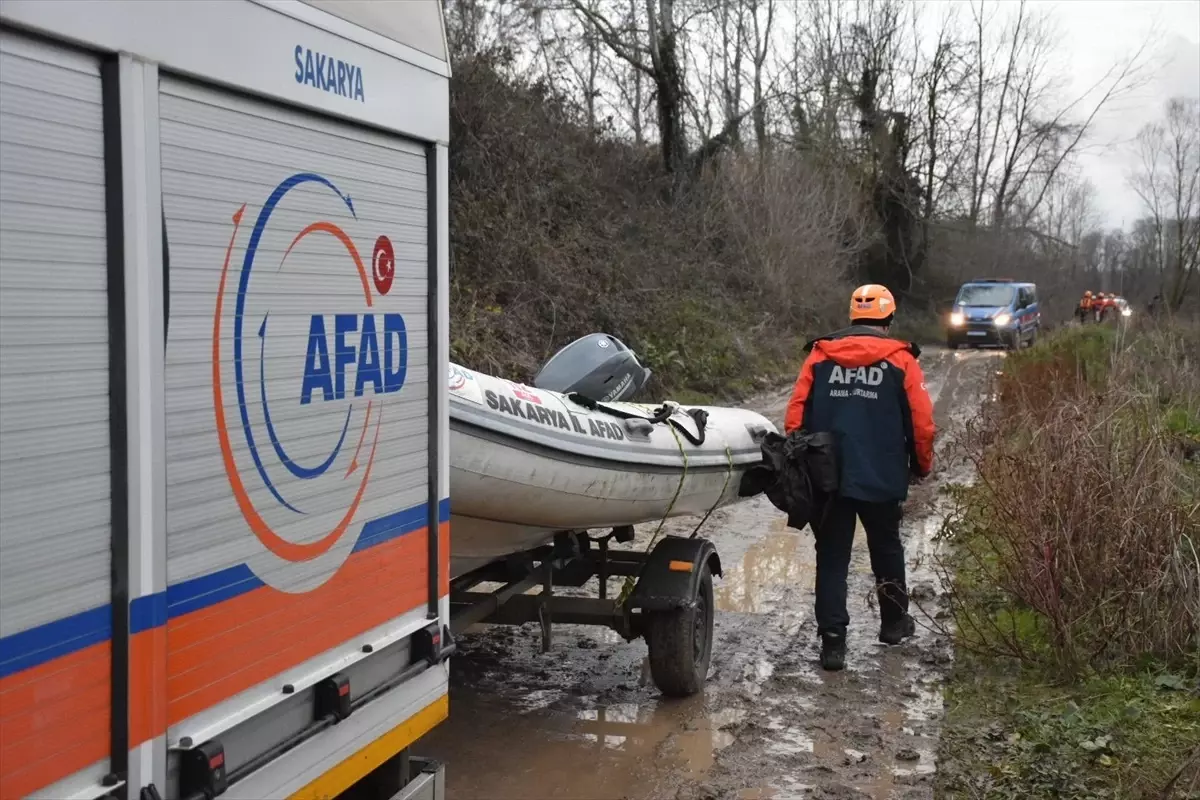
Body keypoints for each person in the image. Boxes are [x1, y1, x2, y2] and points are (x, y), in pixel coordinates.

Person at [783, 284, 936, 671]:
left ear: (853, 318)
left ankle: (833, 644)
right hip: (881, 472)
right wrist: (922, 464)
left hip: (827, 475)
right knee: (886, 548)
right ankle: (893, 624)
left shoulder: (819, 355)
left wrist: (799, 463)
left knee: (832, 557)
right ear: (888, 321)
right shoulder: (902, 360)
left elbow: (795, 417)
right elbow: (921, 424)